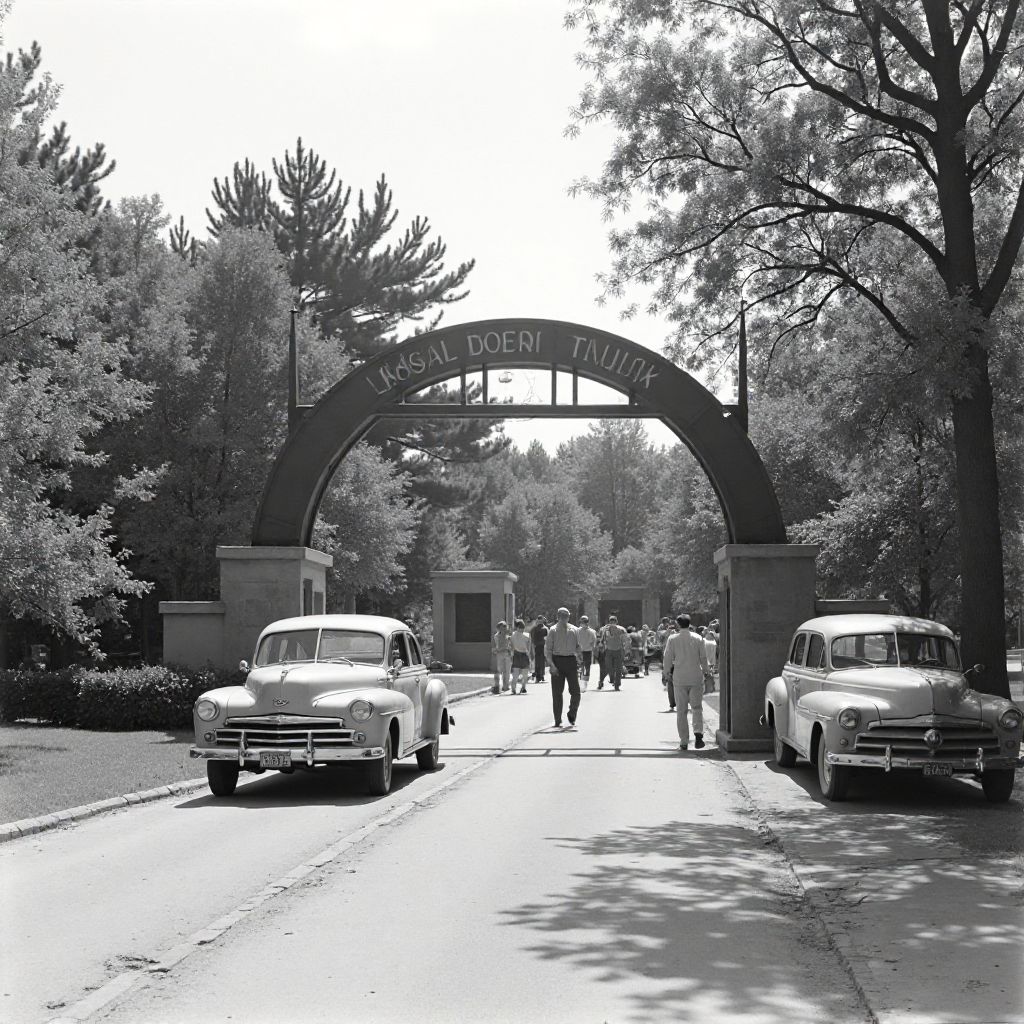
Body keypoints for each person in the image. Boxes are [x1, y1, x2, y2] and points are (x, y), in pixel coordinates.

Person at [662, 613, 711, 749]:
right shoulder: (698, 638)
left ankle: (684, 741)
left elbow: (667, 657)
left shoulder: (673, 639)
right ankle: (698, 734)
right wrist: (706, 672)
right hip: (695, 677)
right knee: (697, 708)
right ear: (689, 624)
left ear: (678, 624)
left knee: (681, 711)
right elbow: (703, 658)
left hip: (680, 678)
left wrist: (666, 673)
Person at [545, 606, 582, 728]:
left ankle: (572, 713)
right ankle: (557, 719)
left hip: (571, 661)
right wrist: (551, 665)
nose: (564, 618)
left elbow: (578, 646)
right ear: (558, 617)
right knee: (557, 693)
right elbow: (548, 650)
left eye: (566, 616)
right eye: (562, 616)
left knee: (576, 692)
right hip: (557, 661)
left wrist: (580, 658)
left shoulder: (575, 629)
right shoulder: (553, 630)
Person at [599, 614, 629, 690]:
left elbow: (626, 640)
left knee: (618, 668)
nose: (612, 622)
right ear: (609, 622)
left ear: (616, 622)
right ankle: (612, 679)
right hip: (609, 651)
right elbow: (601, 640)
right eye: (611, 621)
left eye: (613, 621)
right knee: (609, 667)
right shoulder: (605, 629)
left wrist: (626, 651)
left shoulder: (621, 629)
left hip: (618, 650)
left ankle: (617, 685)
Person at [510, 618, 532, 694]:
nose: (522, 629)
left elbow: (529, 648)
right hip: (519, 655)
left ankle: (522, 687)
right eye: (520, 627)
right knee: (517, 674)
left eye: (523, 627)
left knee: (523, 674)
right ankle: (515, 689)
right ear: (517, 627)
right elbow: (511, 646)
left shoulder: (514, 635)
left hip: (522, 655)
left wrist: (529, 656)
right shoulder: (514, 635)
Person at [491, 620, 512, 694]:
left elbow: (510, 646)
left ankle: (505, 686)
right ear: (499, 628)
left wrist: (510, 650)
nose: (504, 628)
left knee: (507, 671)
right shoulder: (496, 636)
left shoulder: (508, 636)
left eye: (505, 627)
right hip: (500, 654)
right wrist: (496, 651)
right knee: (500, 670)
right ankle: (497, 686)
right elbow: (495, 647)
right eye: (502, 627)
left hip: (507, 654)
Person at [577, 614, 597, 684]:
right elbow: (593, 643)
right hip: (581, 651)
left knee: (586, 666)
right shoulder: (577, 630)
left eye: (585, 621)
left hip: (586, 651)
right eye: (583, 621)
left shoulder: (591, 631)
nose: (584, 623)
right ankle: (583, 680)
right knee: (584, 666)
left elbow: (593, 643)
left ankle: (584, 681)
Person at [530, 615, 549, 683]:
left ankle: (540, 676)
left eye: (541, 619)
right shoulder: (537, 628)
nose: (540, 621)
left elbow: (548, 638)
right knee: (539, 662)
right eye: (539, 619)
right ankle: (539, 676)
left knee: (540, 662)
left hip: (541, 647)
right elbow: (532, 638)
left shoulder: (543, 628)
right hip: (539, 647)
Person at [703, 627, 718, 692]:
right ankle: (710, 688)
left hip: (710, 660)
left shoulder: (713, 640)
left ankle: (710, 688)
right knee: (709, 674)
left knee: (709, 674)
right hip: (708, 660)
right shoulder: (704, 640)